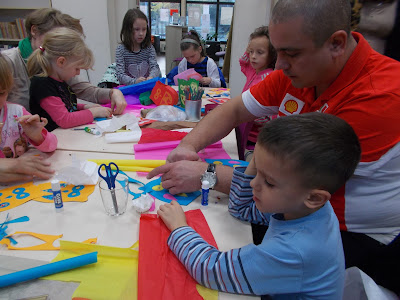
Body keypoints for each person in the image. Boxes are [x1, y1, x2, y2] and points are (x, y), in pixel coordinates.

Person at [148, 0, 400, 294]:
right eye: (276, 51)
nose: (278, 65)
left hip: (360, 239)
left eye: (291, 54)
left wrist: (208, 178)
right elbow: (233, 112)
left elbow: (215, 268)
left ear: (336, 44)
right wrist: (188, 146)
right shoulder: (301, 70)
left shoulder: (379, 99)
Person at [158, 113, 361, 298]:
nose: (254, 183)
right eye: (257, 170)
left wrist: (179, 227)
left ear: (315, 197)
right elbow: (243, 208)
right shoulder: (303, 206)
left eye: (269, 182)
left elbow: (210, 269)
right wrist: (256, 164)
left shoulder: (295, 250)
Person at [1, 8, 126, 114]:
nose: (59, 43)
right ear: (34, 31)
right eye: (55, 37)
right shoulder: (7, 62)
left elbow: (83, 89)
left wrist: (112, 92)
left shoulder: (56, 64)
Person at [27, 28, 112, 132]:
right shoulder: (42, 84)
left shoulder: (60, 80)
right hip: (53, 138)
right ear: (61, 62)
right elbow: (64, 119)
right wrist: (94, 113)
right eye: (76, 68)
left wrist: (85, 107)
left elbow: (66, 107)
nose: (78, 73)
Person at [0, 53, 57, 162]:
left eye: (1, 93)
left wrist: (38, 137)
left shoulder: (17, 113)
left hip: (21, 177)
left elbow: (52, 145)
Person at [239, 25, 277, 151]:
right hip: (245, 127)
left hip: (256, 136)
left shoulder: (270, 76)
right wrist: (250, 47)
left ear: (272, 55)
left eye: (260, 52)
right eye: (251, 52)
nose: (253, 56)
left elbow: (275, 106)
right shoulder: (252, 70)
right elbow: (243, 62)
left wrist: (269, 123)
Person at [115, 8, 161, 86]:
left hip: (146, 88)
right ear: (128, 29)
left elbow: (155, 67)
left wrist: (151, 77)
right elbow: (120, 75)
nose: (141, 33)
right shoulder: (121, 50)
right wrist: (135, 81)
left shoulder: (149, 48)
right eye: (136, 29)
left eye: (144, 29)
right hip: (129, 90)